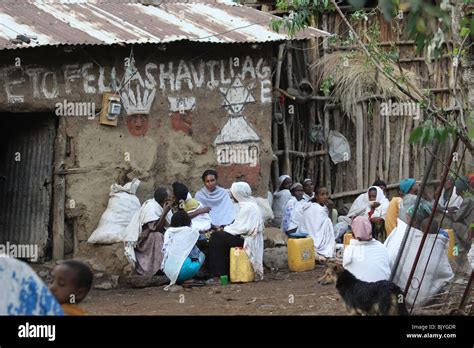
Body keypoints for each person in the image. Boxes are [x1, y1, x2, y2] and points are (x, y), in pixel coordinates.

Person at [384, 204, 453, 307]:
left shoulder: (408, 236)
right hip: (431, 295)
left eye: (408, 217)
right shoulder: (439, 235)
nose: (406, 219)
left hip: (404, 296)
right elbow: (444, 271)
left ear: (415, 220)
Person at [207, 182, 264, 284]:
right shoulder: (248, 203)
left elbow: (240, 228)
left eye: (233, 193)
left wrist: (224, 229)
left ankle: (219, 275)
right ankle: (227, 272)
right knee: (220, 237)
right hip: (246, 236)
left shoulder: (248, 207)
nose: (231, 195)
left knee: (216, 238)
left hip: (248, 239)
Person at [123, 187, 173, 276]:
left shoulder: (164, 207)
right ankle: (157, 268)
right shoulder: (151, 207)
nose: (172, 198)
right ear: (165, 200)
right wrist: (164, 212)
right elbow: (154, 227)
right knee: (157, 236)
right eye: (170, 197)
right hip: (144, 241)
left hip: (154, 234)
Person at [161, 211, 205, 288]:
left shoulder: (169, 232)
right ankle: (187, 278)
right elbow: (203, 239)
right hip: (183, 271)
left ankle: (179, 279)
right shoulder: (191, 231)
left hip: (168, 271)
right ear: (188, 221)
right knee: (202, 255)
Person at [343, 216, 391, 282]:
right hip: (383, 288)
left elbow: (346, 267)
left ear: (353, 231)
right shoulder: (382, 247)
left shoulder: (349, 250)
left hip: (361, 290)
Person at [443, 176, 473, 274]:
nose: (455, 189)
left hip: (470, 232)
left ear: (460, 189)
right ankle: (457, 253)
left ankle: (455, 255)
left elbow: (456, 217)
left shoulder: (467, 200)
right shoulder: (468, 198)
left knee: (452, 225)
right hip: (469, 228)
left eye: (456, 187)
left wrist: (442, 211)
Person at [297, 186, 335, 260]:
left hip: (314, 237)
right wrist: (330, 210)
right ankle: (321, 249)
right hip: (312, 238)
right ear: (316, 196)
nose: (325, 197)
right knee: (328, 222)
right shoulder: (313, 208)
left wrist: (329, 209)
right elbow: (327, 224)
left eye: (327, 194)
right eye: (322, 194)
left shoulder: (322, 207)